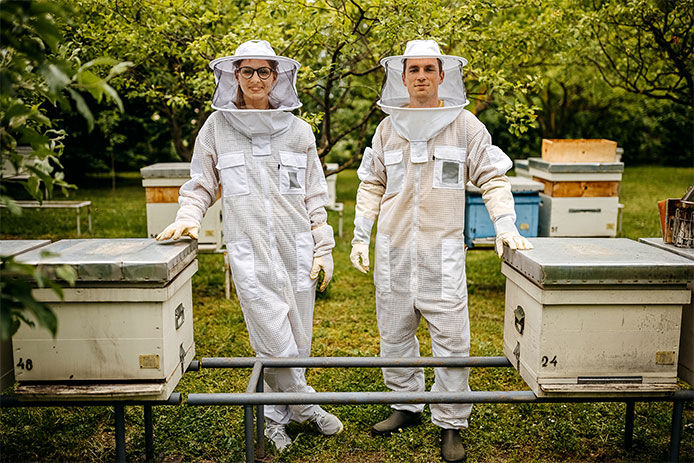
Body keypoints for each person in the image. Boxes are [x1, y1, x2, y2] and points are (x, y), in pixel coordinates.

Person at [350, 40, 532, 463]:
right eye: (413, 69)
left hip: (442, 251)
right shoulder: (388, 127)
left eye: (428, 69)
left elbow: (492, 177)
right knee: (394, 337)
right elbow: (371, 183)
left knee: (452, 342)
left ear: (442, 75)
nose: (420, 77)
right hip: (394, 250)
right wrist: (360, 236)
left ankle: (451, 422)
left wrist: (505, 224)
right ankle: (407, 405)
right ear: (402, 76)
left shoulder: (465, 125)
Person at [157, 39, 343, 452]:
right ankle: (301, 403)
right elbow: (202, 184)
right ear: (233, 76)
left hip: (296, 247)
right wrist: (188, 217)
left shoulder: (298, 131)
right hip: (249, 247)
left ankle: (278, 413)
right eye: (247, 72)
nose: (255, 79)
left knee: (299, 336)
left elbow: (314, 194)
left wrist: (323, 246)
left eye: (263, 71)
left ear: (276, 77)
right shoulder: (217, 127)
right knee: (272, 338)